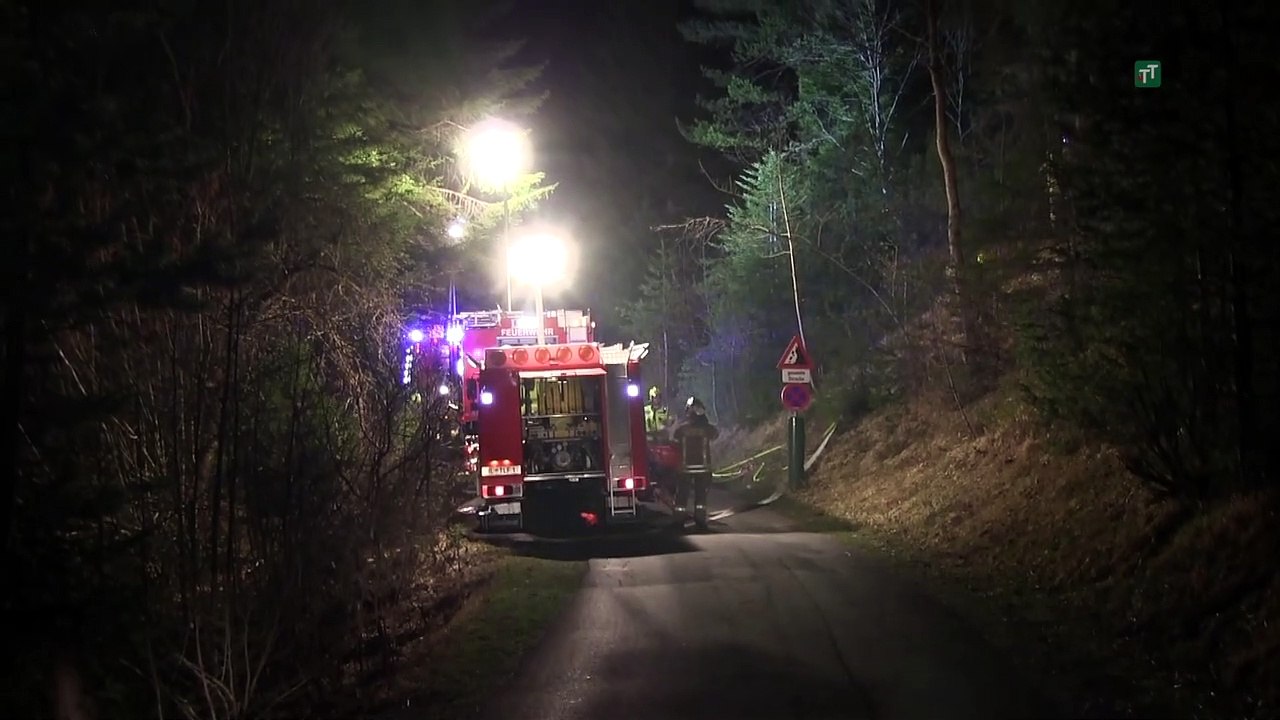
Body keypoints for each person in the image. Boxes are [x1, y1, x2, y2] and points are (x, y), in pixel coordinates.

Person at [672, 396, 719, 530]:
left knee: (681, 497)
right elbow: (715, 434)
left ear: (688, 411)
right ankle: (700, 521)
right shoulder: (707, 429)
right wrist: (705, 421)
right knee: (700, 498)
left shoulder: (681, 429)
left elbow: (674, 438)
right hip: (702, 468)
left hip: (685, 468)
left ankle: (678, 522)